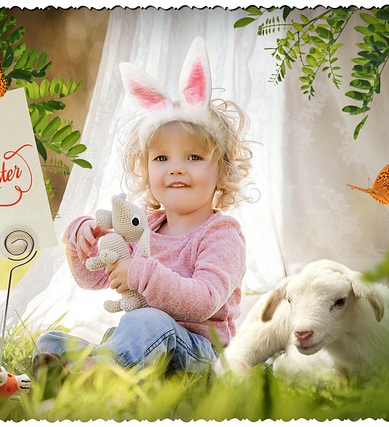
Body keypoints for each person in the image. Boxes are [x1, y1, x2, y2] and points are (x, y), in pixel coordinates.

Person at [34, 37, 252, 376]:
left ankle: (99, 376)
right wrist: (80, 242)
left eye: (193, 157)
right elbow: (93, 278)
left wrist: (140, 272)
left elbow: (204, 300)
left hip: (196, 353)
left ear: (221, 171)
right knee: (52, 341)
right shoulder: (143, 226)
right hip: (141, 344)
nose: (176, 167)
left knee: (146, 322)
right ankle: (83, 371)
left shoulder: (222, 236)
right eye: (162, 158)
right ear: (146, 169)